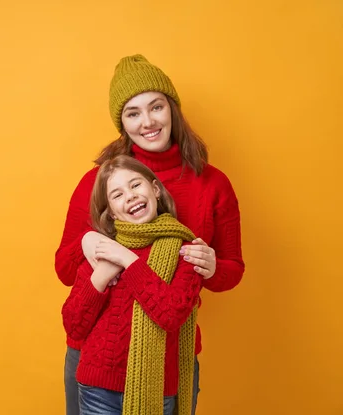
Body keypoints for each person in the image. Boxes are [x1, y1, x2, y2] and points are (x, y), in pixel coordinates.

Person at [56, 54, 244, 415]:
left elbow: (230, 271)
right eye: (132, 113)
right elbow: (66, 273)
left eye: (156, 107)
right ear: (121, 123)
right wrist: (85, 243)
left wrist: (212, 265)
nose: (148, 122)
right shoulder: (97, 184)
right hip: (97, 359)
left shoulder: (213, 184)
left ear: (172, 109)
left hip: (170, 356)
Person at [62, 155, 202, 415]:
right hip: (98, 389)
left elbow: (170, 315)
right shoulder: (101, 250)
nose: (129, 196)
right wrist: (101, 276)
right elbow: (74, 325)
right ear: (111, 211)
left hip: (157, 389)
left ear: (155, 190)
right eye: (117, 194)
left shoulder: (187, 251)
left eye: (136, 185)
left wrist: (128, 260)